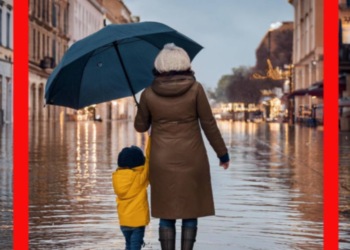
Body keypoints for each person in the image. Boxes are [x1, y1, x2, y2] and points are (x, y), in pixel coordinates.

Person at [134, 43, 230, 250]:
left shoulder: (148, 93)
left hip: (162, 161)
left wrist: (142, 109)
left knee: (166, 214)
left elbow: (140, 127)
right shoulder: (196, 89)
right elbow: (209, 124)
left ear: (159, 65)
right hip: (192, 158)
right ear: (185, 63)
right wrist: (222, 154)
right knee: (190, 212)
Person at [112, 138, 151, 250]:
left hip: (124, 222)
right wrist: (152, 137)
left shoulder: (116, 178)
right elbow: (148, 160)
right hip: (137, 223)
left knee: (128, 245)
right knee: (134, 247)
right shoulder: (139, 178)